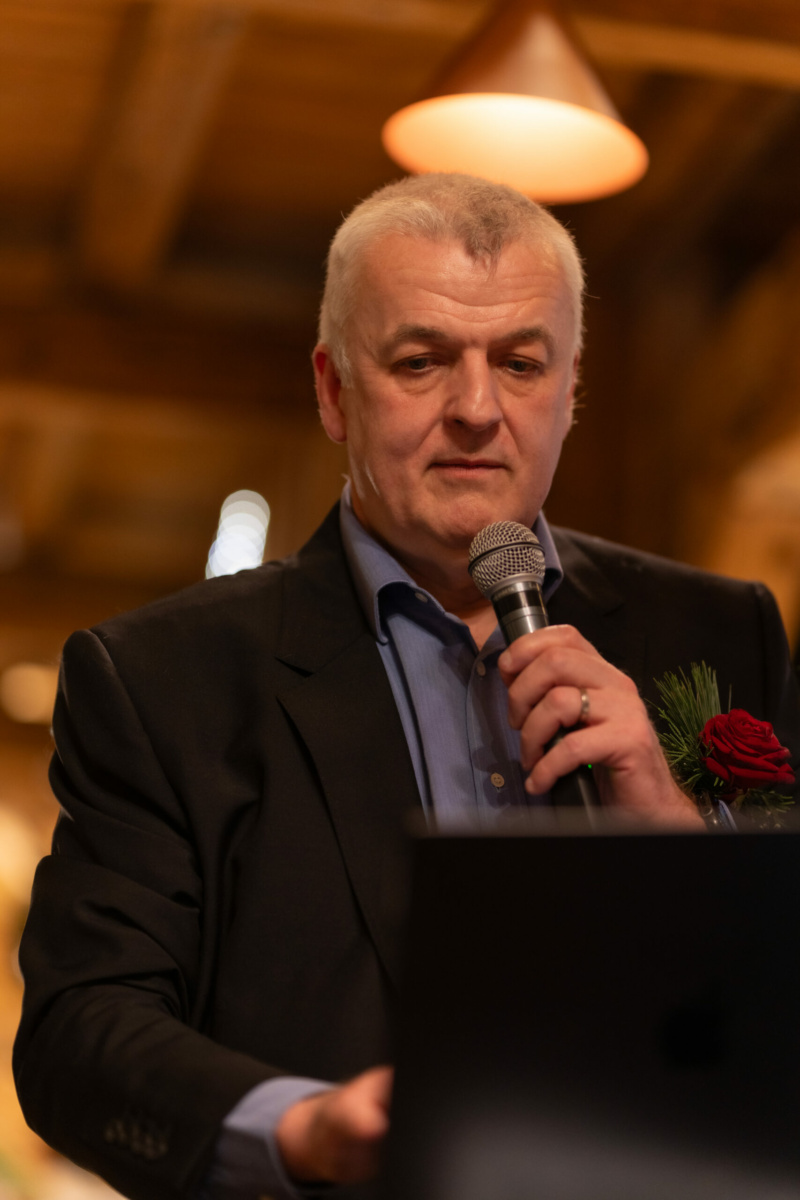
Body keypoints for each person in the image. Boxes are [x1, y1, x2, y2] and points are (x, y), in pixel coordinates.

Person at [14, 174, 800, 1200]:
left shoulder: (722, 633)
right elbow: (79, 1035)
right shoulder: (162, 680)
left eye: (520, 363)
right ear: (334, 391)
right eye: (421, 362)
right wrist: (301, 1129)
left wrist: (676, 835)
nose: (476, 410)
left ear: (570, 391)